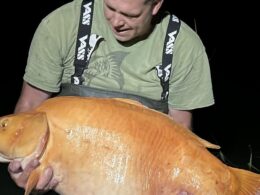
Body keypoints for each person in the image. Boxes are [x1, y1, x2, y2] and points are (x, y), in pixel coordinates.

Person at [8, 0, 215, 193]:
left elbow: (181, 131)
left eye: (130, 15)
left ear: (156, 5)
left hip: (144, 173)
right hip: (68, 173)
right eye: (110, 8)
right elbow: (30, 104)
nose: (116, 22)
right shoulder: (62, 25)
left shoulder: (183, 46)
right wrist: (21, 165)